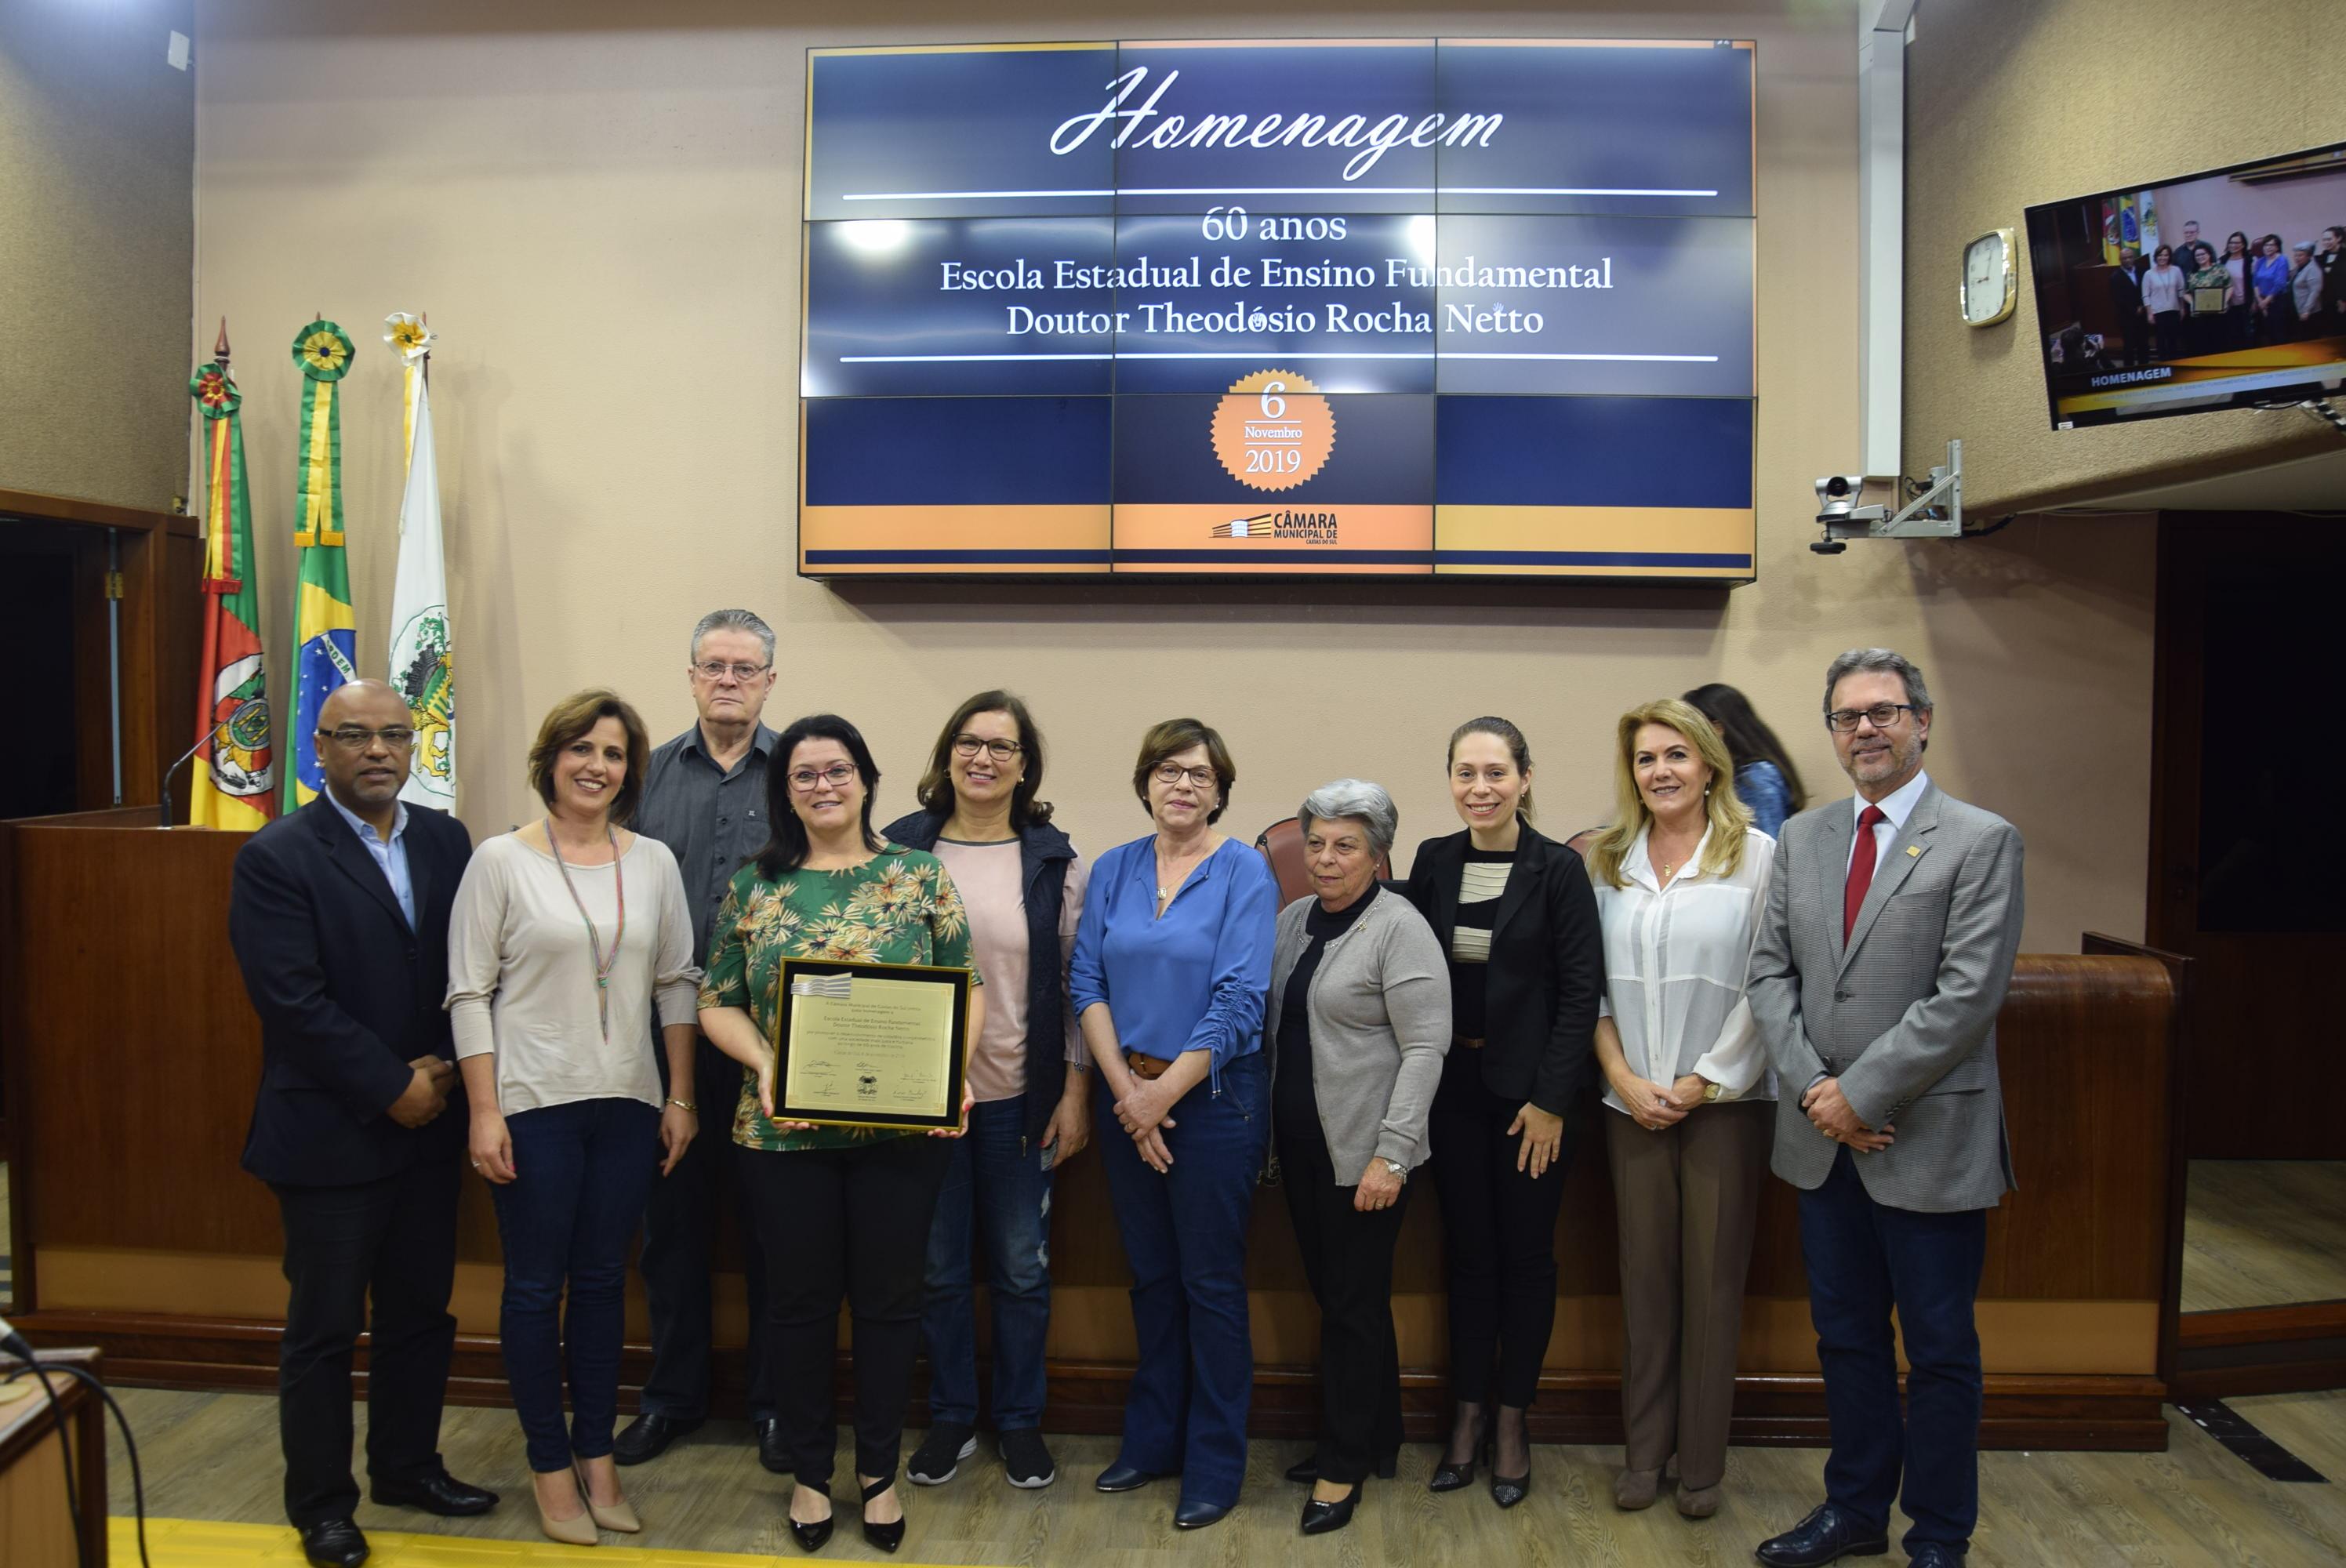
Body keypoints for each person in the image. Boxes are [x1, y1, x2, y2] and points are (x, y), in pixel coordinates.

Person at [1747, 649, 2025, 1568]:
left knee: (1940, 1349)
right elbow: (1768, 972)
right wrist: (1820, 1097)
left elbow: (1966, 995)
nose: (1864, 728)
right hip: (1823, 1146)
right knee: (1847, 1337)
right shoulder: (1804, 837)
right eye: (1846, 716)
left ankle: (1939, 1533)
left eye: (1883, 711)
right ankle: (1854, 1508)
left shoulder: (1981, 839)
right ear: (1829, 731)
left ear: (1922, 720)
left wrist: (1857, 1093)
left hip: (1925, 1138)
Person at [697, 713, 981, 1555]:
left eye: (837, 769)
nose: (823, 785)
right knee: (798, 1305)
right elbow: (716, 999)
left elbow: (963, 992)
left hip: (902, 1133)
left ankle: (880, 1474)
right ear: (784, 792)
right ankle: (812, 1473)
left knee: (892, 1305)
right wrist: (768, 1066)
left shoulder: (920, 875)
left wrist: (951, 1076)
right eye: (804, 774)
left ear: (865, 776)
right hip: (783, 1135)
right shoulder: (756, 885)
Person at [230, 680, 494, 1568]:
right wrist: (389, 1084)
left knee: (422, 1312)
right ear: (321, 745)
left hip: (430, 1124)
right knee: (325, 1327)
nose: (378, 749)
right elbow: (291, 1000)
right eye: (355, 735)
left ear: (414, 742)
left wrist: (446, 1082)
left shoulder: (448, 839)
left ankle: (408, 1466)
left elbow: (463, 967)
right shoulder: (277, 854)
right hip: (331, 1132)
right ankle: (323, 1504)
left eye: (393, 733)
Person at [446, 690, 702, 1544]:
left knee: (601, 1285)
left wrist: (679, 1094)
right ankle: (549, 1465)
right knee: (533, 1287)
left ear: (633, 770)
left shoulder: (654, 860)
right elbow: (468, 991)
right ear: (550, 758)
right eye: (581, 748)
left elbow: (676, 983)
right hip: (531, 1105)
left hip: (627, 1104)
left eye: (616, 752)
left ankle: (598, 1456)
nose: (597, 765)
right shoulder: (499, 860)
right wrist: (484, 1111)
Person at [1071, 718, 1278, 1532]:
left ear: (1221, 788)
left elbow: (1238, 1000)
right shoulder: (1116, 866)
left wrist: (1161, 1097)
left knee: (1211, 1285)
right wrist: (1127, 1091)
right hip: (1128, 1096)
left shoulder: (1245, 872)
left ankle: (1215, 1462)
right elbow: (1085, 977)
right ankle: (1151, 1439)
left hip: (1215, 1104)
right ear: (1145, 782)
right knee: (1152, 1279)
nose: (1181, 785)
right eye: (1166, 770)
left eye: (1198, 773)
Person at [885, 691, 1091, 1492]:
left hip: (1017, 1096)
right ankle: (949, 1416)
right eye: (969, 742)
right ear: (946, 754)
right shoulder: (899, 848)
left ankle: (1019, 1421)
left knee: (1019, 1268)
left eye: (1001, 746)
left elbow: (1076, 985)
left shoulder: (1052, 859)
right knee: (935, 1269)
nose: (983, 757)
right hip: (919, 1099)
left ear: (1024, 764)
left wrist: (1073, 1092)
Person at [1403, 716, 1603, 1510]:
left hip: (1533, 1103)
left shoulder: (1557, 870)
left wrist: (1552, 1099)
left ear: (1523, 777)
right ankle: (1466, 1414)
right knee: (1466, 1256)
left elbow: (1579, 991)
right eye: (1464, 772)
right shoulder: (1433, 859)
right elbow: (1412, 972)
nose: (1478, 787)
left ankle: (1513, 1418)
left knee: (1525, 1258)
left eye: (1494, 772)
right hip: (1452, 1090)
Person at [1584, 700, 1777, 1522]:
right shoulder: (1607, 860)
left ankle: (1700, 1466)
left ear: (1708, 764)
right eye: (1644, 758)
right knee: (1645, 1283)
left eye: (1675, 754)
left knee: (1711, 1286)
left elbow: (1769, 982)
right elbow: (1585, 987)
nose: (1659, 770)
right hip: (1628, 1103)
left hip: (1722, 1103)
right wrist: (1624, 1076)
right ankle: (1642, 1454)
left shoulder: (1758, 856)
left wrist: (1700, 1080)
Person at [619, 609, 783, 1469]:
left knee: (771, 1233)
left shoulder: (803, 775)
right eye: (713, 666)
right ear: (690, 676)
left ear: (768, 682)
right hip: (664, 1044)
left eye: (745, 668)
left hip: (770, 1043)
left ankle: (771, 1404)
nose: (729, 680)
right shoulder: (641, 777)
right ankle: (672, 1398)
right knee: (672, 1231)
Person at [1267, 781, 1451, 1537]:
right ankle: (1376, 1436)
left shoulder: (1398, 928)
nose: (1326, 858)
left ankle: (1342, 1467)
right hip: (1303, 1153)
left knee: (1349, 1307)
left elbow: (1425, 1046)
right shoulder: (1291, 921)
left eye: (1345, 845)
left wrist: (1394, 1156)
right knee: (1348, 1300)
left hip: (1367, 1157)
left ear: (1378, 856)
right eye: (1315, 843)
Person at [1683, 681, 1807, 838]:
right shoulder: (1736, 774)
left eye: (1692, 731)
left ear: (1718, 729)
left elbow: (1768, 852)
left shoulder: (1754, 780)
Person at [2140, 244, 2186, 360]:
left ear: (2169, 257)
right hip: (2158, 312)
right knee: (2161, 342)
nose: (2163, 258)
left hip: (2174, 310)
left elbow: (2181, 291)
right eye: (2160, 255)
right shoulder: (2149, 274)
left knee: (2173, 341)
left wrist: (2182, 308)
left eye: (2166, 255)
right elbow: (2145, 295)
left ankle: (2176, 366)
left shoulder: (2176, 271)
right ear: (2156, 257)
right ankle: (2164, 366)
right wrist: (2149, 313)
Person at [2184, 242, 2228, 357]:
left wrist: (2225, 302)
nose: (2200, 257)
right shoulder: (2192, 274)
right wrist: (2192, 303)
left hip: (2218, 313)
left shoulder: (2220, 269)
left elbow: (2230, 286)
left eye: (2203, 254)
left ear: (2209, 254)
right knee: (2203, 345)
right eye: (2197, 256)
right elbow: (2185, 293)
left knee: (2219, 343)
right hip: (2199, 315)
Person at [2104, 245, 2143, 365]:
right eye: (2124, 258)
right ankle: (2129, 370)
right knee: (2129, 345)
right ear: (2120, 260)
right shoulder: (2115, 277)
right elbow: (2118, 299)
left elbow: (2145, 291)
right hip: (2126, 317)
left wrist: (2142, 306)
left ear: (2134, 258)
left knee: (2143, 343)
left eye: (2130, 257)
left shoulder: (2142, 271)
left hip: (2143, 314)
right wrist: (2134, 310)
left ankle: (2145, 366)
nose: (2127, 260)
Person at [2253, 234, 2294, 343]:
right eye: (2266, 245)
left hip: (2277, 301)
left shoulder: (2282, 260)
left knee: (2279, 333)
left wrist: (2266, 302)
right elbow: (2255, 282)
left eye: (2272, 245)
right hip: (2262, 301)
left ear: (2277, 247)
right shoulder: (2260, 261)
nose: (2268, 247)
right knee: (2267, 334)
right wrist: (2260, 301)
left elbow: (2280, 284)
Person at [2221, 231, 2253, 348]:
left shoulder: (2249, 260)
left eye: (2236, 243)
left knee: (2248, 336)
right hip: (2228, 306)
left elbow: (2254, 283)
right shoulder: (2223, 261)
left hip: (2246, 304)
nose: (2233, 245)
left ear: (2243, 245)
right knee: (2233, 337)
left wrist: (2254, 302)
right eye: (2231, 242)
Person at [2290, 240, 2326, 339]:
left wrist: (2306, 311)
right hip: (2299, 311)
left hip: (2311, 313)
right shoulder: (2299, 268)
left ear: (2309, 256)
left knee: (2311, 341)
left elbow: (2315, 292)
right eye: (2295, 255)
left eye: (2300, 255)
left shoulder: (2313, 269)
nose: (2297, 258)